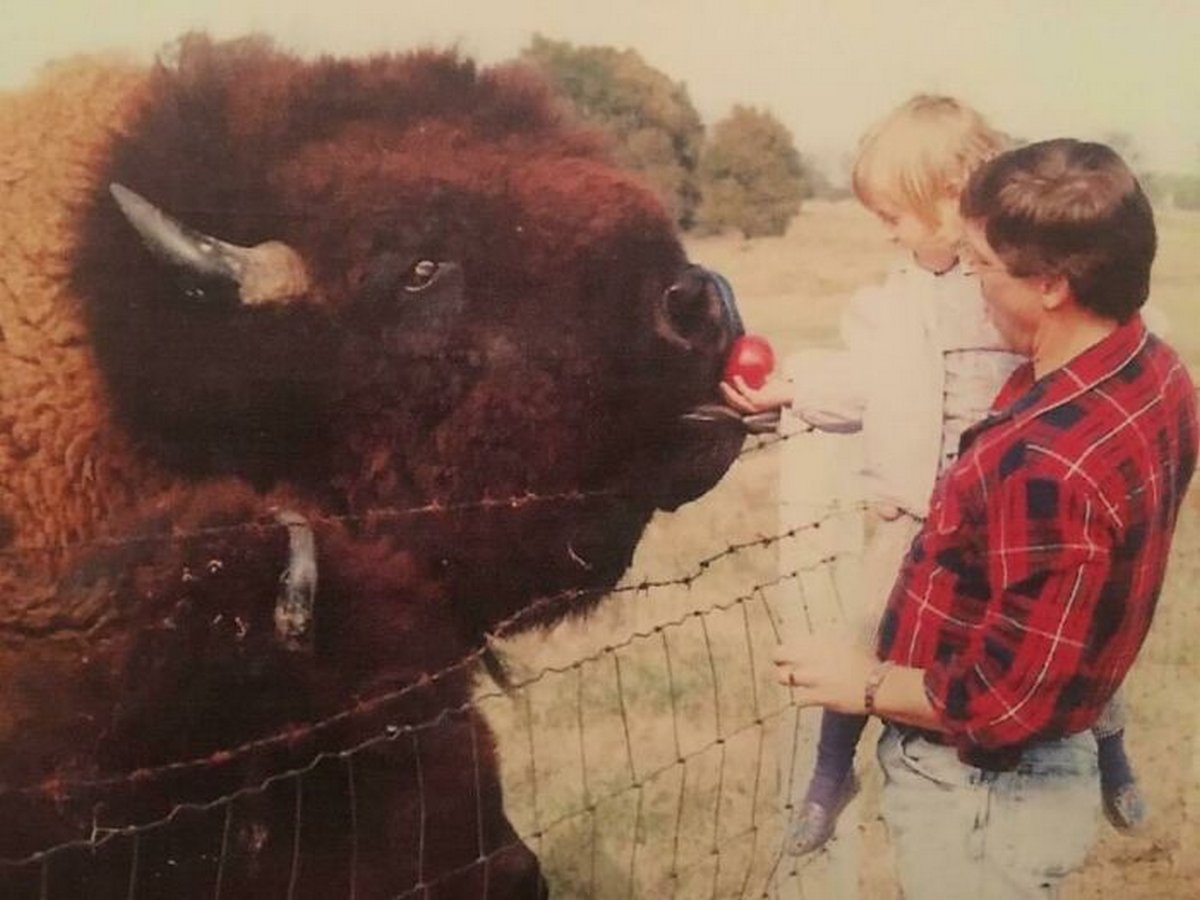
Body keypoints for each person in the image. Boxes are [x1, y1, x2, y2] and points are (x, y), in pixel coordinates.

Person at [771, 137, 1197, 898]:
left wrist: (862, 683)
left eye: (981, 267)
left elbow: (1008, 702)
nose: (971, 288)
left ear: (1052, 286)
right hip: (1020, 786)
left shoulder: (1052, 466)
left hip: (982, 798)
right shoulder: (1151, 370)